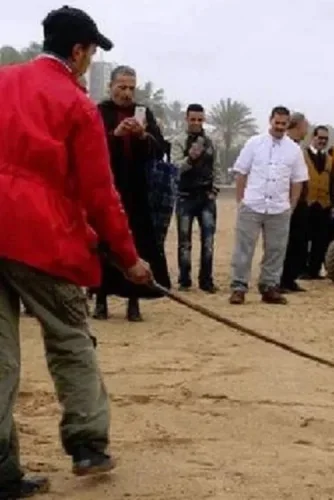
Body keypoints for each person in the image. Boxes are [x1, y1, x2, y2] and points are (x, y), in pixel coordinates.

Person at [0, 6, 153, 495]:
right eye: (90, 52)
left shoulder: (2, 81)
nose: (89, 62)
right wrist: (129, 259)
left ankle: (1, 470)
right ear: (77, 51)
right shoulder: (77, 105)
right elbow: (100, 195)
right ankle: (87, 444)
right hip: (41, 237)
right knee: (70, 338)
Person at [92, 65, 170, 322]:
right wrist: (115, 135)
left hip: (137, 191)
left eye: (131, 88)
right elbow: (89, 147)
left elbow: (159, 149)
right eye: (121, 87)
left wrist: (141, 135)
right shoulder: (98, 112)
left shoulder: (144, 113)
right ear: (110, 87)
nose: (126, 93)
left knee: (136, 245)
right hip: (106, 187)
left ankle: (134, 301)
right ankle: (100, 298)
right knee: (103, 245)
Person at [229, 106, 308, 305]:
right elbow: (241, 172)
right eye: (277, 123)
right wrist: (241, 200)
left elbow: (297, 180)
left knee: (276, 250)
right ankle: (239, 287)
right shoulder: (254, 143)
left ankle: (269, 287)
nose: (280, 127)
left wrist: (291, 206)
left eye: (284, 124)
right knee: (243, 249)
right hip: (252, 204)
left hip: (279, 208)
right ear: (270, 121)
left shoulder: (294, 150)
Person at [171, 103, 220, 293]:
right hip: (185, 197)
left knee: (208, 242)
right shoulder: (179, 141)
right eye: (193, 119)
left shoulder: (211, 142)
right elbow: (175, 169)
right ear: (186, 119)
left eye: (200, 119)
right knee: (184, 243)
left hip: (206, 198)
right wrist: (190, 158)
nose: (196, 123)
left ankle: (206, 280)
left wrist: (214, 190)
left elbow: (216, 167)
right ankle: (184, 280)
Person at [300, 125, 334, 280]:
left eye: (325, 139)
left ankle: (314, 270)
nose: (322, 141)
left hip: (324, 205)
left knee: (320, 240)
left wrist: (333, 204)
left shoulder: (329, 159)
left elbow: (333, 183)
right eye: (320, 138)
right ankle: (300, 269)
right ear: (312, 137)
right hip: (306, 203)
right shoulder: (302, 155)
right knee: (302, 239)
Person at [280, 112, 310, 293]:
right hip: (287, 201)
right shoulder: (285, 146)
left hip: (301, 201)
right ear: (298, 126)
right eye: (306, 126)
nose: (307, 129)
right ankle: (280, 279)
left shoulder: (298, 148)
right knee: (286, 242)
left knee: (299, 242)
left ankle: (290, 278)